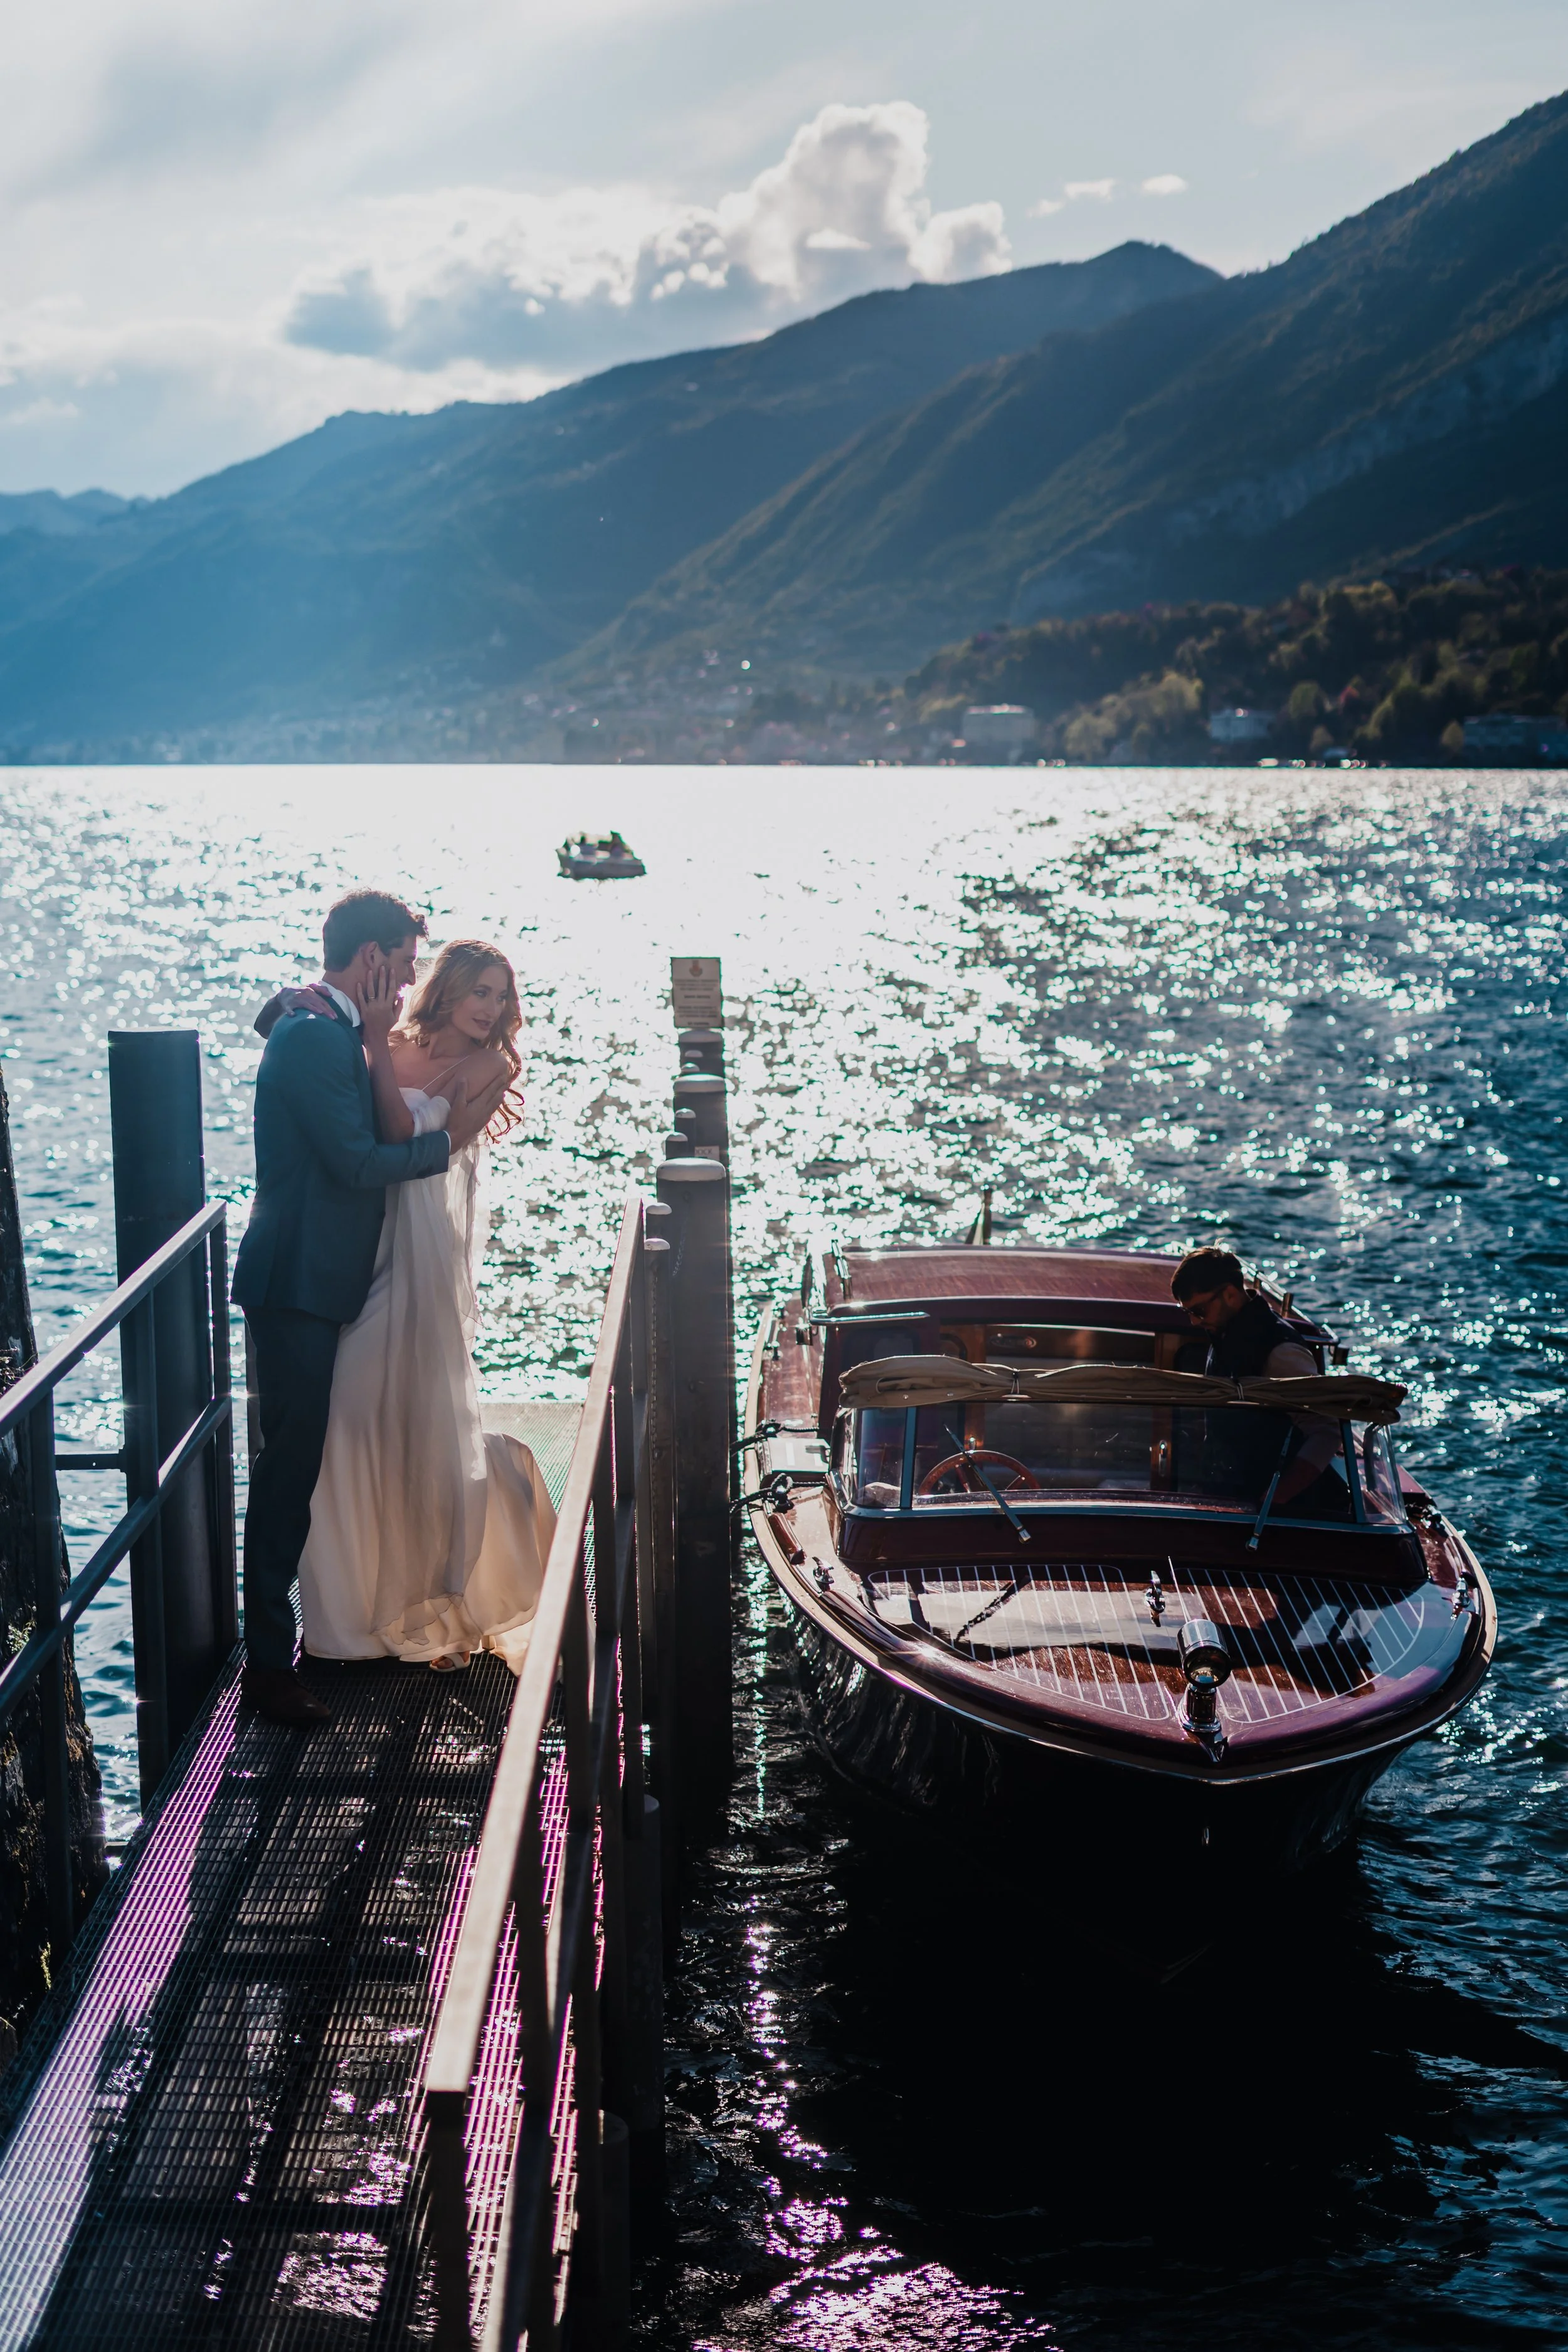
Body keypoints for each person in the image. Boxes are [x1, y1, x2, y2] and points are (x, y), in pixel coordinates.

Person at [295, 938, 556, 1675]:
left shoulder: (492, 1066)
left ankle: (443, 1587)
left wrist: (376, 1041)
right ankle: (351, 1614)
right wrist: (377, 1039)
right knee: (347, 1419)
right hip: (359, 1238)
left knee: (406, 1412)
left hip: (419, 1250)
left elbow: (413, 1141)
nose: (492, 1009)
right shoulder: (385, 1039)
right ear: (445, 989)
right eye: (480, 992)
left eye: (502, 997)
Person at [233, 889, 458, 1725]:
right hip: (296, 1285)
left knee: (302, 1469)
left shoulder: (327, 1032)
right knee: (286, 1475)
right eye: (401, 971)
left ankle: (313, 1632)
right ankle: (267, 1667)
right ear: (370, 959)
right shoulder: (309, 1039)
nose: (403, 989)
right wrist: (449, 1145)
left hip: (323, 1282)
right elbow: (360, 1161)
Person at [1169, 1246, 1344, 1517]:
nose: (1194, 1322)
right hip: (1234, 1502)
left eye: (1200, 1310)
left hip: (1275, 1519)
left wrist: (1278, 1496)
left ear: (1229, 1293)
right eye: (1187, 1312)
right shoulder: (1224, 1333)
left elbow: (1326, 1432)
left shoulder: (1280, 1351)